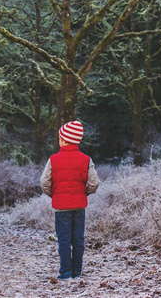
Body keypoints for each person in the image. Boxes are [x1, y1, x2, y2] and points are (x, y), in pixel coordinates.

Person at [40, 120, 100, 280]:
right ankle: (77, 272)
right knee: (78, 239)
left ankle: (65, 273)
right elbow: (94, 182)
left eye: (60, 137)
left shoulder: (53, 159)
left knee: (64, 240)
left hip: (61, 207)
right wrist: (85, 192)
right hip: (79, 206)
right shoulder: (86, 159)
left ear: (64, 140)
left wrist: (53, 194)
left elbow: (44, 182)